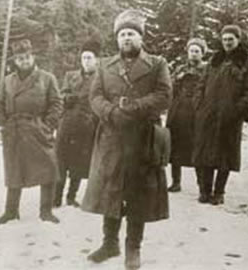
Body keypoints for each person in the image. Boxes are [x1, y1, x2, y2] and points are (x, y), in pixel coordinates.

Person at [81, 9, 172, 270]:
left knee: (137, 194)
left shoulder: (157, 64)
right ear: (117, 39)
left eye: (131, 33)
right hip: (111, 137)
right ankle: (110, 243)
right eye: (122, 34)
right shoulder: (105, 66)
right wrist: (111, 112)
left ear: (141, 37)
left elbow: (164, 96)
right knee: (110, 190)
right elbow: (95, 97)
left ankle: (133, 247)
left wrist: (133, 108)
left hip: (142, 139)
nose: (127, 38)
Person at [0, 39, 62, 224]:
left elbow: (56, 103)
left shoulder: (47, 78)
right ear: (15, 61)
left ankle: (46, 211)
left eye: (27, 57)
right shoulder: (8, 80)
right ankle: (11, 211)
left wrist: (48, 124)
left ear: (33, 57)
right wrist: (2, 120)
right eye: (20, 58)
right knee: (15, 170)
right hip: (14, 130)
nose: (24, 61)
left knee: (48, 169)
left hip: (38, 130)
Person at [193, 24, 248, 205]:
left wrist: (238, 110)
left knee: (225, 155)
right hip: (207, 115)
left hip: (230, 117)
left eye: (231, 39)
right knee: (205, 154)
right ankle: (205, 191)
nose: (227, 43)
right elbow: (201, 84)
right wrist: (199, 105)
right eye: (224, 39)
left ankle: (219, 192)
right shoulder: (214, 61)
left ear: (238, 40)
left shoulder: (247, 63)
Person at [54, 39, 100, 207]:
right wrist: (67, 98)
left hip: (87, 125)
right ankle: (56, 196)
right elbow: (61, 95)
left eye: (89, 58)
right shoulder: (71, 76)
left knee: (78, 163)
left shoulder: (101, 78)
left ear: (97, 60)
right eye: (83, 58)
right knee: (60, 160)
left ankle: (71, 197)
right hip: (67, 123)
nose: (85, 61)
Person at [166, 37, 207, 192]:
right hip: (178, 111)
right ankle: (176, 182)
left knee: (197, 147)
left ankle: (201, 184)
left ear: (202, 53)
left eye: (197, 51)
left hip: (196, 112)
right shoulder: (180, 69)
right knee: (175, 147)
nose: (194, 54)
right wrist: (177, 80)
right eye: (191, 51)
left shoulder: (206, 69)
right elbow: (170, 88)